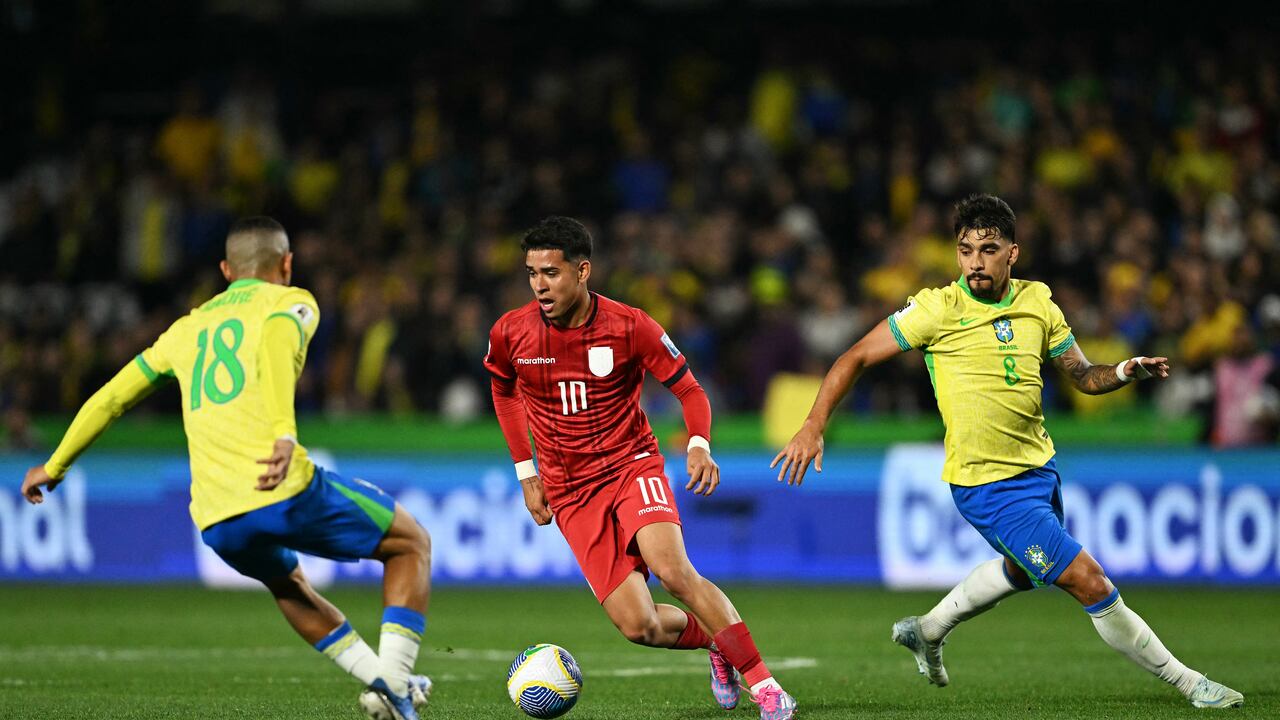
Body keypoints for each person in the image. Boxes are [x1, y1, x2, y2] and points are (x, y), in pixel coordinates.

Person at [772, 194, 1244, 710]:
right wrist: (813, 425)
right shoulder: (936, 308)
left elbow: (1083, 376)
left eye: (988, 249)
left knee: (1021, 571)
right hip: (985, 485)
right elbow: (856, 355)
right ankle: (1189, 682)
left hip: (1039, 472)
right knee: (1089, 580)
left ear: (1011, 254)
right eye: (965, 250)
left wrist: (1126, 370)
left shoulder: (1038, 302)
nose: (975, 261)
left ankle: (928, 629)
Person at [20, 217, 434, 720]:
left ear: (225, 270)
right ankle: (394, 690)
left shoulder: (185, 329)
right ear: (286, 263)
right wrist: (285, 431)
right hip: (281, 488)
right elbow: (278, 347)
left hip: (216, 519)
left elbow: (111, 398)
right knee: (410, 544)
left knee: (289, 585)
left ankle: (386, 687)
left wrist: (55, 465)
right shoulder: (291, 302)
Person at [485, 216, 797, 720]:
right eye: (532, 273)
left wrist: (698, 445)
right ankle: (717, 645)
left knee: (673, 571)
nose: (540, 285)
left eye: (552, 273)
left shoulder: (630, 326)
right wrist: (527, 473)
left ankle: (766, 688)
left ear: (583, 271)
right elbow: (503, 393)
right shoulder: (511, 333)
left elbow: (690, 390)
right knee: (640, 626)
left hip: (631, 466)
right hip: (570, 492)